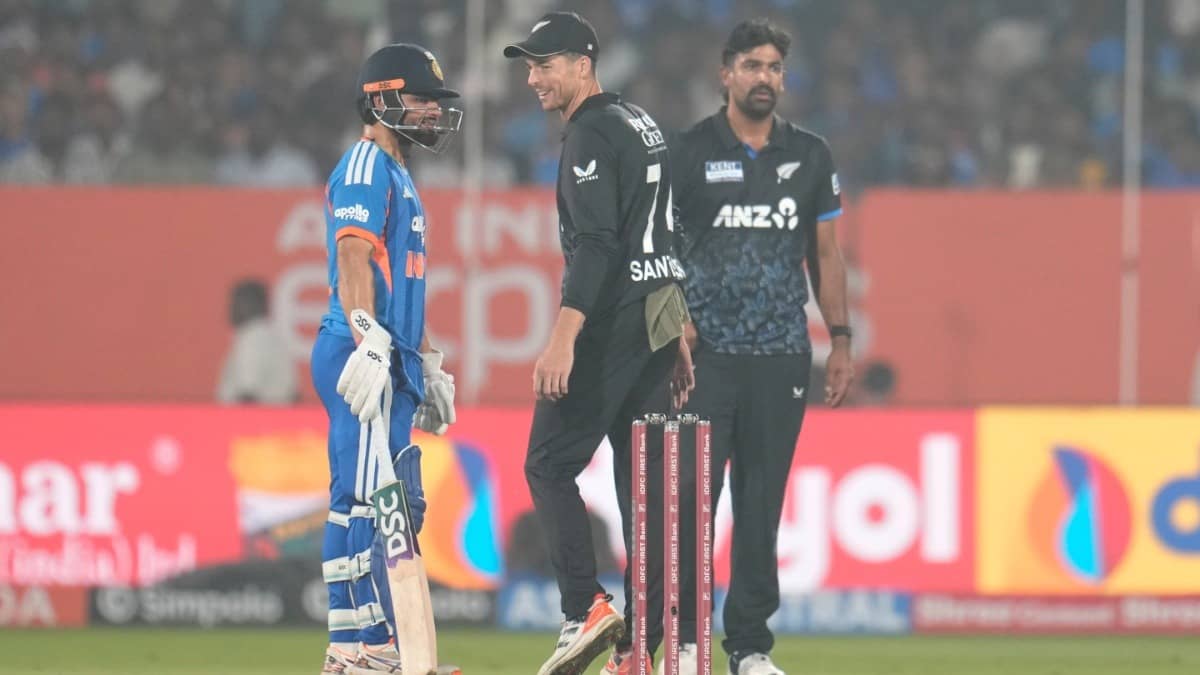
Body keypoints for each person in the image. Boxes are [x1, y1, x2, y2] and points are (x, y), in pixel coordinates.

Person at [502, 12, 694, 675]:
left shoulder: (589, 134)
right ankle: (641, 650)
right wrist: (673, 325)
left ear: (583, 65)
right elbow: (664, 233)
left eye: (543, 64)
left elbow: (599, 243)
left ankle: (584, 605)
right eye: (528, 66)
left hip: (611, 323)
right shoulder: (642, 124)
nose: (531, 78)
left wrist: (563, 334)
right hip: (653, 322)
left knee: (548, 463)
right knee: (642, 488)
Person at [667, 19, 855, 675]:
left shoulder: (811, 155)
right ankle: (687, 643)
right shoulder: (689, 151)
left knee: (760, 503)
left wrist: (841, 337)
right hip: (706, 358)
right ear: (725, 74)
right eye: (752, 65)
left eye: (774, 67)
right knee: (691, 501)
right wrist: (677, 323)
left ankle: (748, 646)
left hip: (781, 357)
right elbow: (657, 252)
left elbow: (826, 255)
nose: (764, 77)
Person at [309, 43, 461, 675]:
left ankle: (350, 649)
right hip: (359, 350)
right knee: (381, 503)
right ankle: (374, 646)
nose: (431, 111)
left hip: (381, 352)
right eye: (420, 99)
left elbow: (401, 276)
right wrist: (371, 336)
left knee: (357, 499)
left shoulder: (395, 171)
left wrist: (424, 359)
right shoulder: (369, 163)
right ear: (381, 100)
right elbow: (352, 258)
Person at [215, 278, 297, 405]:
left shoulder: (250, 338)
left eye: (236, 302)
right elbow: (294, 394)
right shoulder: (273, 337)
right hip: (278, 419)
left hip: (250, 420)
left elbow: (247, 393)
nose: (231, 309)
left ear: (252, 304)